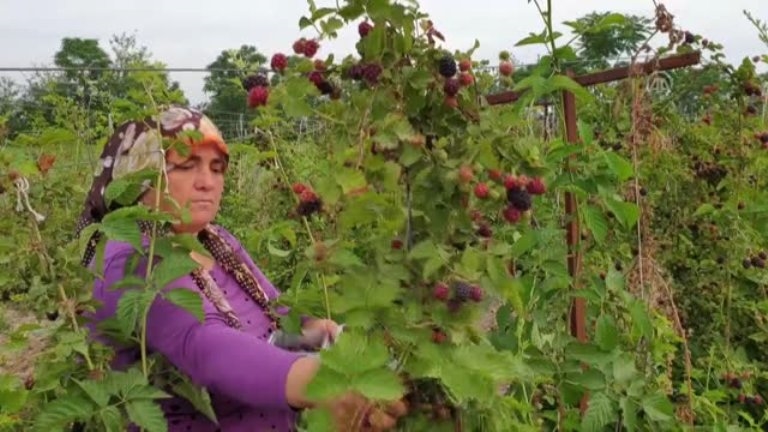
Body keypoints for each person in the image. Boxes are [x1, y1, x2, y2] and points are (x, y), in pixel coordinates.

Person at [75, 106, 406, 431]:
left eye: (217, 168)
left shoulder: (217, 241)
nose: (207, 182)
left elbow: (275, 313)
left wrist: (313, 330)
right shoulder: (129, 258)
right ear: (139, 177)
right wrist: (324, 382)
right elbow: (203, 345)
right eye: (186, 166)